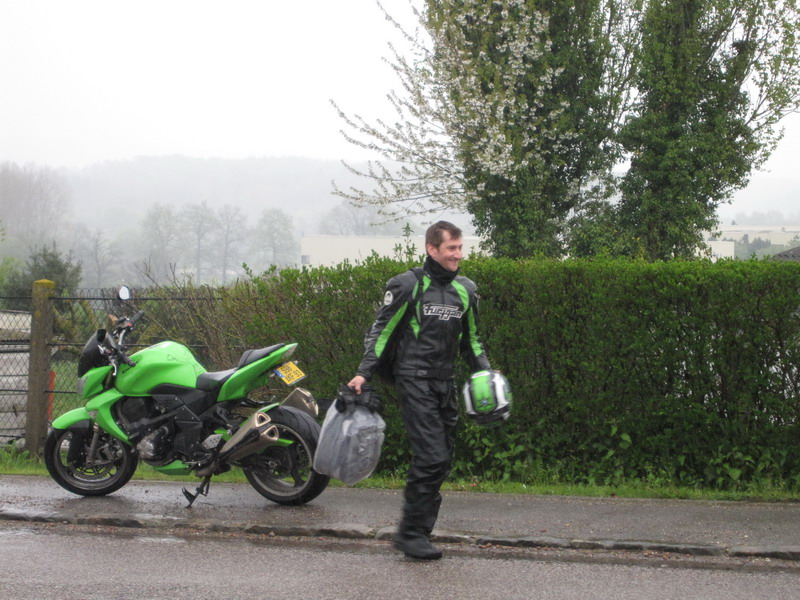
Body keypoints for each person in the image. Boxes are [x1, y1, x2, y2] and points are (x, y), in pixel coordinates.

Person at [348, 220, 491, 560]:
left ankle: (416, 533)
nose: (458, 254)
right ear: (432, 249)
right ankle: (411, 535)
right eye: (451, 248)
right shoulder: (407, 285)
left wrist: (486, 372)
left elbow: (472, 340)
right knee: (432, 456)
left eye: (460, 247)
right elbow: (382, 332)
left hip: (445, 382)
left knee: (442, 459)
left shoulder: (466, 290)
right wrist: (363, 373)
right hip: (413, 379)